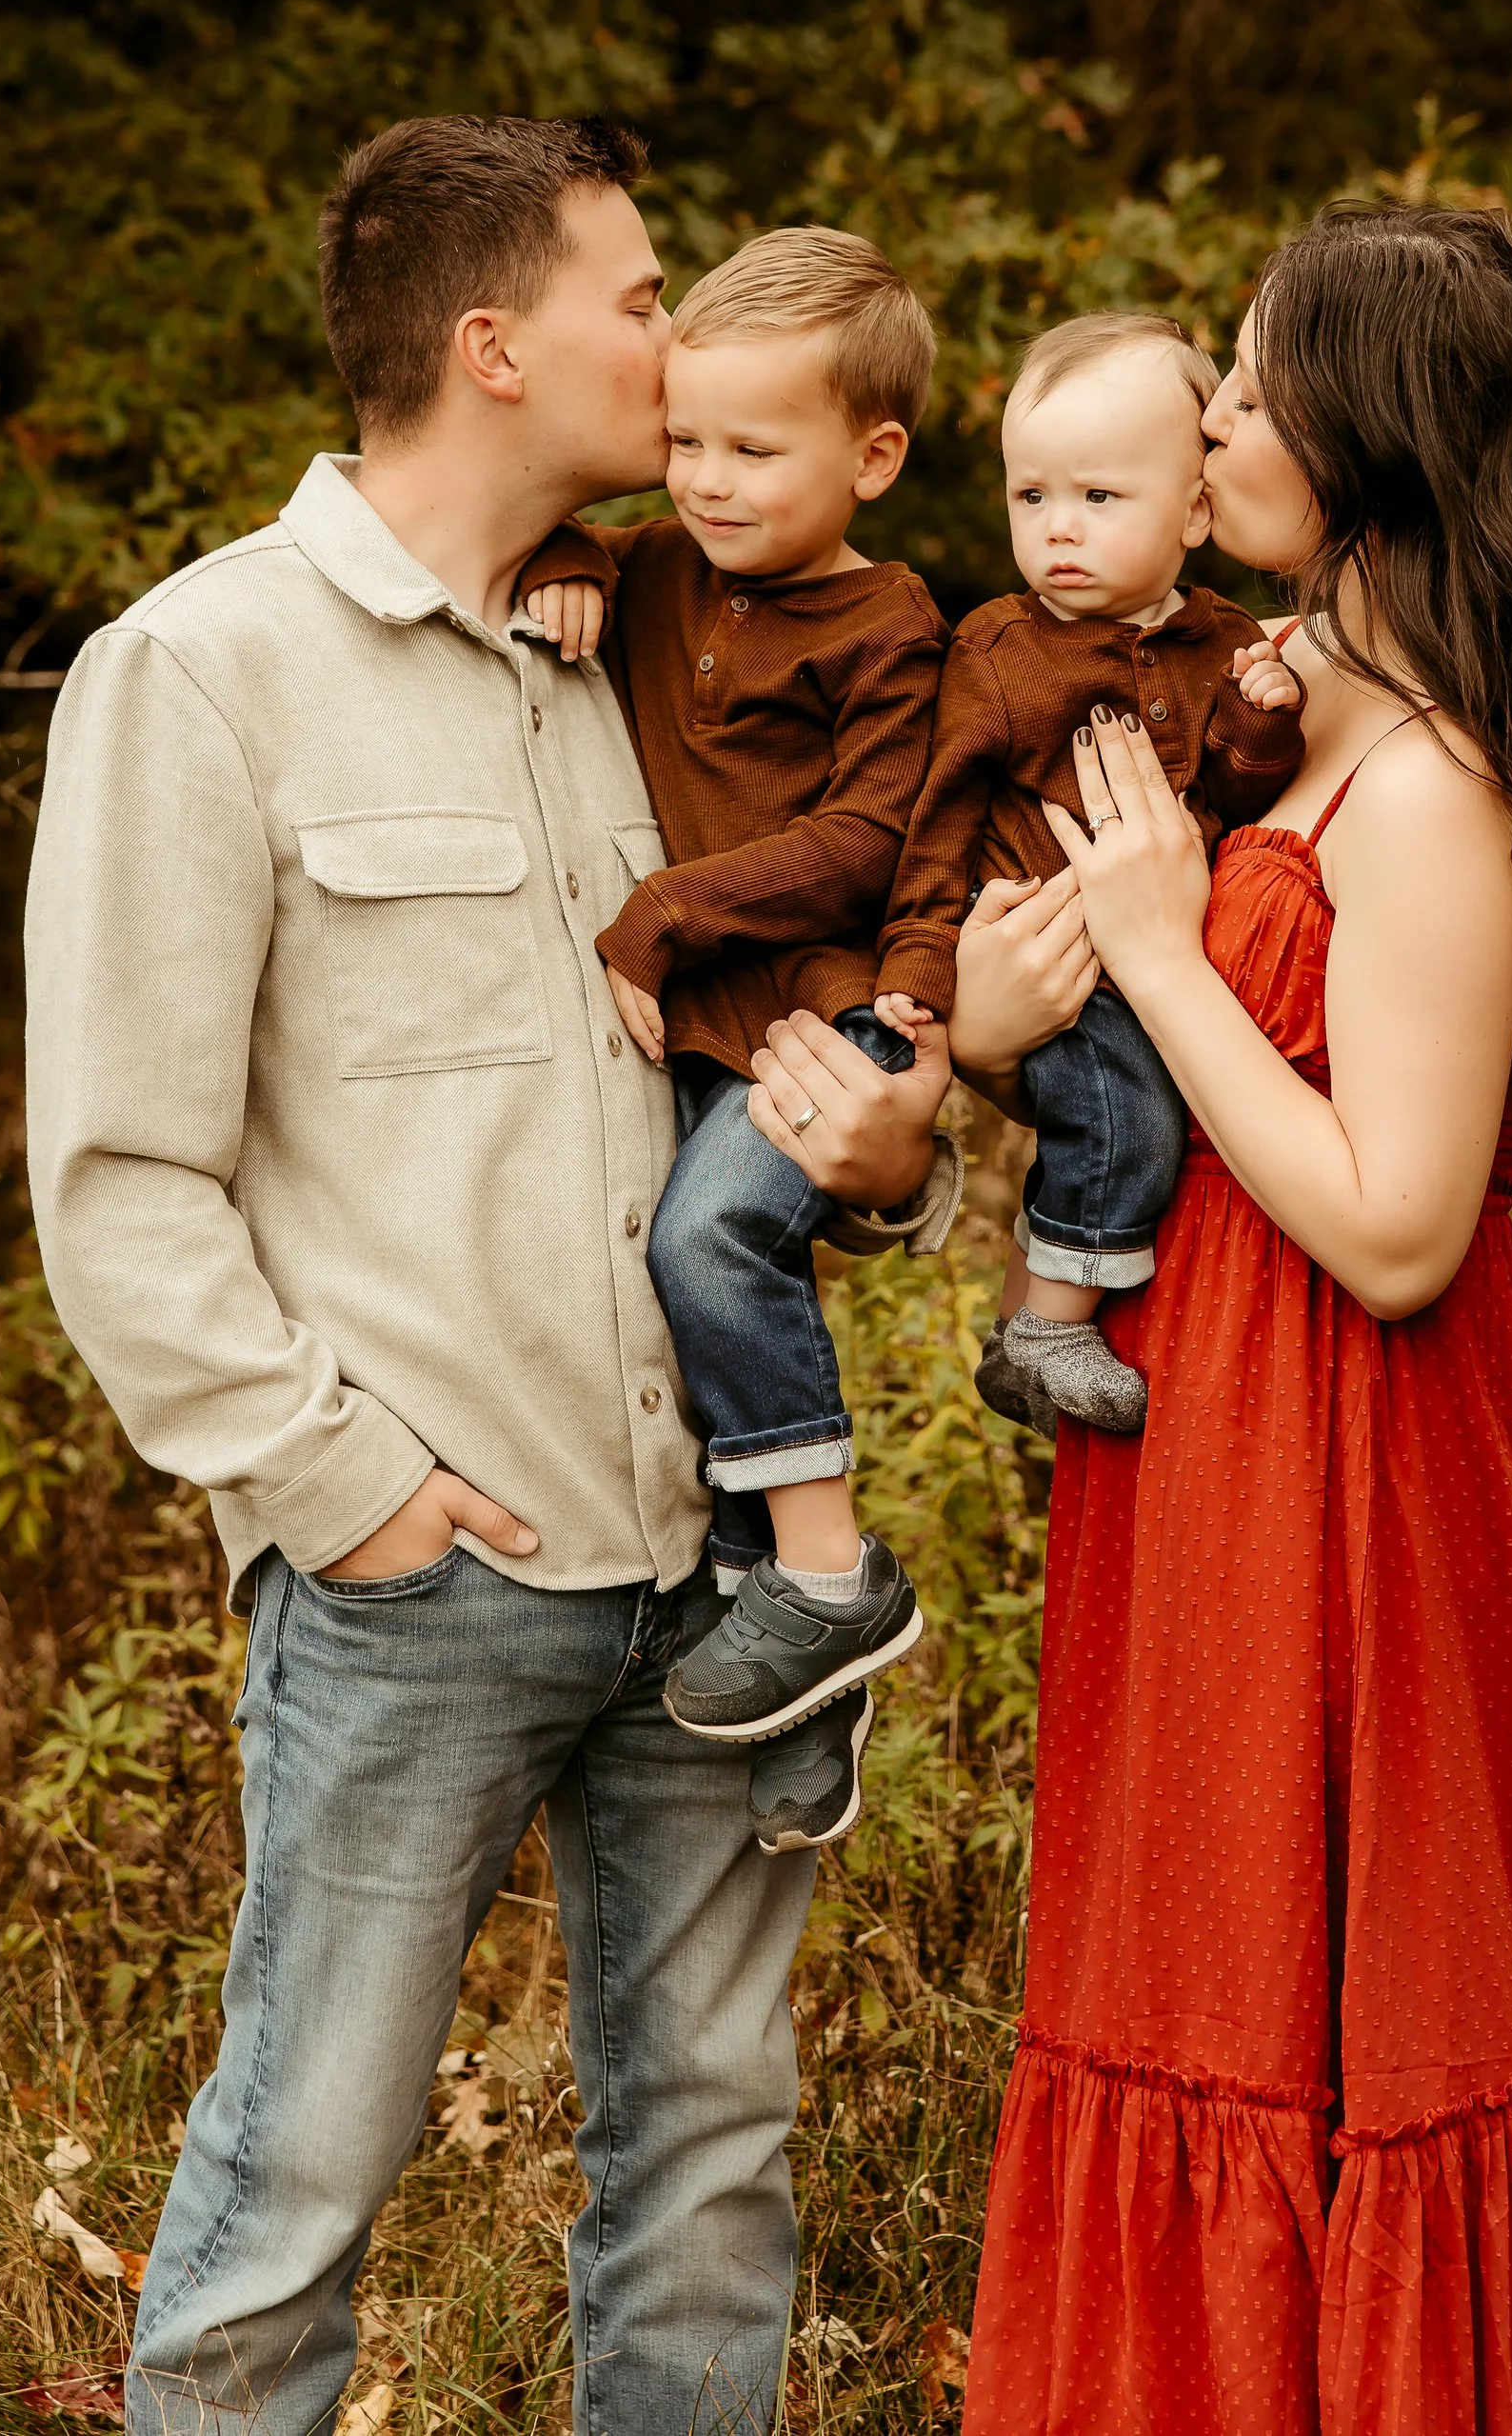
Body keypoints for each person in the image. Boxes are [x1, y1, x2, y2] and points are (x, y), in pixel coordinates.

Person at [23, 114, 955, 2436]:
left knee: (715, 2166)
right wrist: (344, 1488)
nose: (681, 331)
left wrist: (899, 1163)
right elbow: (124, 1179)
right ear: (491, 338)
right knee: (297, 2181)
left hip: (725, 1581)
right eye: (642, 295)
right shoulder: (204, 670)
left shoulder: (649, 655)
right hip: (429, 1574)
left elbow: (782, 1036)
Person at [961, 204, 1512, 2436]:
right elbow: (1168, 1087)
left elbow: (1393, 1223)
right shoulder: (1279, 728)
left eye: (1261, 386)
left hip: (1356, 1487)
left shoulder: (1434, 790)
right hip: (1195, 1461)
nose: (1213, 414)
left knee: (1333, 2028)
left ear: (1381, 432)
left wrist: (1169, 948)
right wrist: (1031, 1005)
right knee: (1190, 1998)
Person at [520, 228, 949, 1856]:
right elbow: (561, 529)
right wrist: (569, 546)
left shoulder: (890, 623)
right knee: (696, 1332)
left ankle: (834, 1576)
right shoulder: (653, 568)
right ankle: (805, 1679)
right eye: (683, 439)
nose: (704, 480)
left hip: (828, 1022)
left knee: (708, 1242)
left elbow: (860, 842)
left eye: (754, 450)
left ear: (874, 456)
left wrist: (663, 911)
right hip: (717, 1029)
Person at [876, 313, 1304, 1438]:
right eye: (1032, 498)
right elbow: (937, 818)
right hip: (1057, 950)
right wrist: (928, 957)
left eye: (1099, 500)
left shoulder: (1226, 645)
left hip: (1160, 956)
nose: (1059, 531)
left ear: (1195, 512)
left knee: (1119, 1125)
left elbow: (1244, 801)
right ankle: (1048, 1325)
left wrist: (1258, 732)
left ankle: (1031, 1321)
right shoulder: (999, 652)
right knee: (1126, 1123)